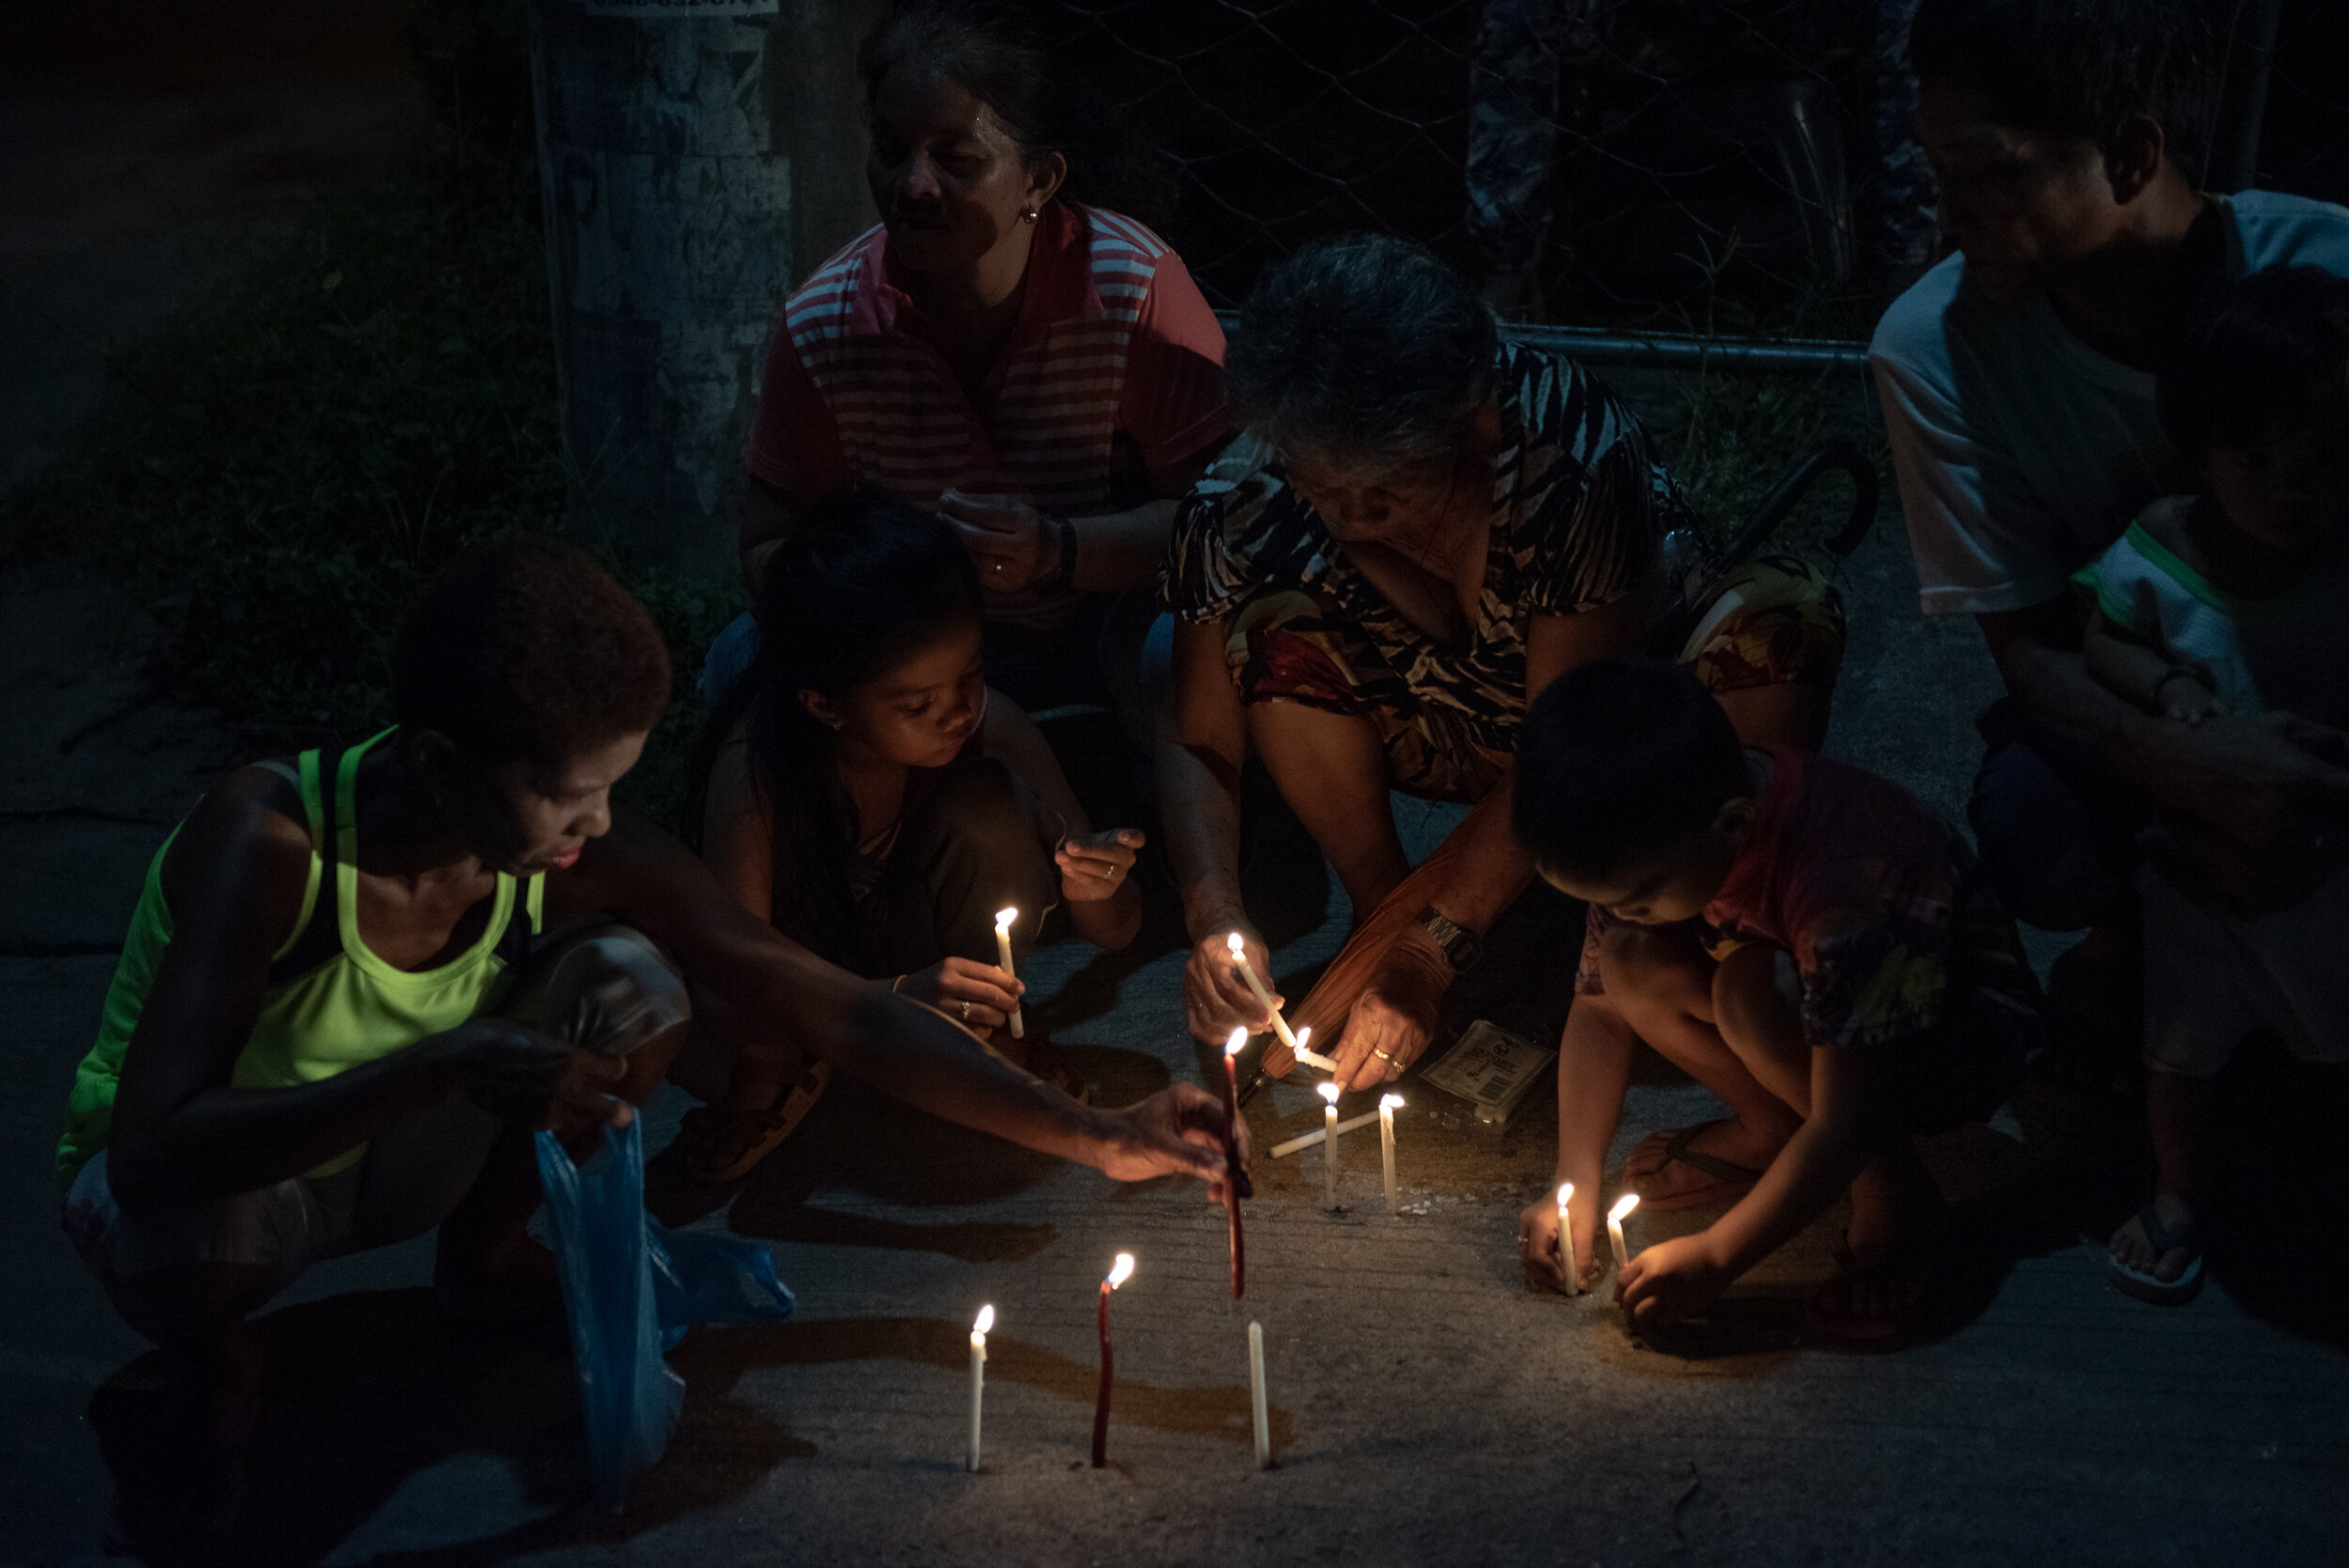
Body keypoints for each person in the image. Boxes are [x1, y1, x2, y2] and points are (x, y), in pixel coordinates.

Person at [54, 535, 1244, 1551]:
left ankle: (484, 1258)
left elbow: (828, 1003)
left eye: (615, 788)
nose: (597, 827)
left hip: (397, 1149)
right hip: (210, 1196)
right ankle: (205, 1356)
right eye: (572, 797)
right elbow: (156, 1153)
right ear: (439, 766)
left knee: (632, 982)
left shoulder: (575, 856)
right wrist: (441, 1066)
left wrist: (1097, 1138)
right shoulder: (270, 842)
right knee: (194, 1230)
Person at [1160, 233, 1845, 1090]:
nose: (1355, 516)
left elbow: (1560, 741)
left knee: (1783, 619)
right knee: (1270, 626)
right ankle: (1386, 899)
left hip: (1627, 724)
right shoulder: (1241, 500)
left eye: (1389, 484)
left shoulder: (1567, 454)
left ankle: (1717, 923)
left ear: (1464, 425)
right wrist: (1215, 912)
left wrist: (1431, 949)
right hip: (1444, 723)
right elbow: (1198, 741)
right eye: (1322, 486)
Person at [1871, 0, 2349, 1071]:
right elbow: (2031, 648)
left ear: (2130, 154)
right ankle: (2151, 937)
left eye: (1990, 173)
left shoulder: (2325, 285)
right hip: (2165, 699)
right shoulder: (1934, 350)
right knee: (2038, 828)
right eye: (1937, 174)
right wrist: (2193, 764)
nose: (1948, 213)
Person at [711, 0, 1233, 729]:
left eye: (957, 160)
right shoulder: (827, 326)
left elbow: (1225, 521)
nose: (914, 185)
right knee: (740, 656)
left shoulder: (1133, 289)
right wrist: (876, 594)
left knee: (1192, 650)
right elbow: (770, 541)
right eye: (893, 151)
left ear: (1041, 179)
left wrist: (1058, 550)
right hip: (918, 646)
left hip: (1102, 619)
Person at [1510, 657, 2042, 1339]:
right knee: (1629, 960)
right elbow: (1599, 1009)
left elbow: (1847, 1119)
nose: (1627, 911)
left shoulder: (1842, 889)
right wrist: (1574, 1179)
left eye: (1638, 897)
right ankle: (1775, 1130)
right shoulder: (1662, 813)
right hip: (1823, 1007)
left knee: (1747, 995)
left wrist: (1718, 1254)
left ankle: (1902, 1202)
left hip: (1953, 1040)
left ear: (1730, 825)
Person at [680, 493, 1147, 1181]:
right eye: (916, 703)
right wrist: (893, 997)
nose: (957, 711)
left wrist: (1096, 887)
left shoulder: (993, 728)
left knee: (992, 811)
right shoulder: (759, 776)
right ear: (825, 705)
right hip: (800, 984)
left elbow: (1119, 928)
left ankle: (970, 1036)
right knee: (722, 1034)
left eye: (970, 675)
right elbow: (731, 986)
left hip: (927, 970)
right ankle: (809, 1066)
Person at [2073, 268, 2349, 1304]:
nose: (2291, 488)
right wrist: (2165, 688)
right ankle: (2180, 1188)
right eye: (2255, 458)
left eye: (2323, 458)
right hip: (2193, 880)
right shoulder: (2167, 547)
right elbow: (2100, 636)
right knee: (2176, 1049)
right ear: (2201, 447)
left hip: (2327, 879)